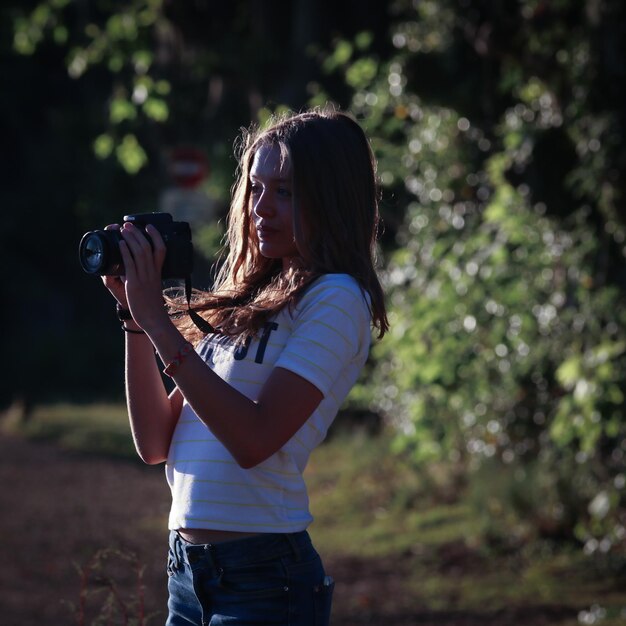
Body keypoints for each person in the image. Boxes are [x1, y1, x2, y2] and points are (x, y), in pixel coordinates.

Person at [101, 107, 388, 626]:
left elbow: (255, 438)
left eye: (285, 192)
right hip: (186, 574)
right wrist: (134, 319)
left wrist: (158, 320)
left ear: (332, 198)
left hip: (263, 579)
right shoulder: (247, 303)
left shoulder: (337, 298)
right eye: (255, 189)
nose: (262, 209)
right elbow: (154, 442)